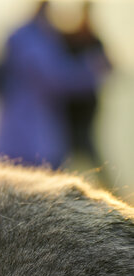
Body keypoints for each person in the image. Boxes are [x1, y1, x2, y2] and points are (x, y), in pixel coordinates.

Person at [0, 1, 103, 169]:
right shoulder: (36, 40)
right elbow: (57, 78)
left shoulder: (21, 36)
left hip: (18, 131)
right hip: (33, 135)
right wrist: (91, 69)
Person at [62, 1, 112, 183]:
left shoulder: (94, 40)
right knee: (63, 160)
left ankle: (112, 190)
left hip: (86, 113)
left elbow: (108, 67)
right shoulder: (70, 39)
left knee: (91, 156)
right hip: (69, 114)